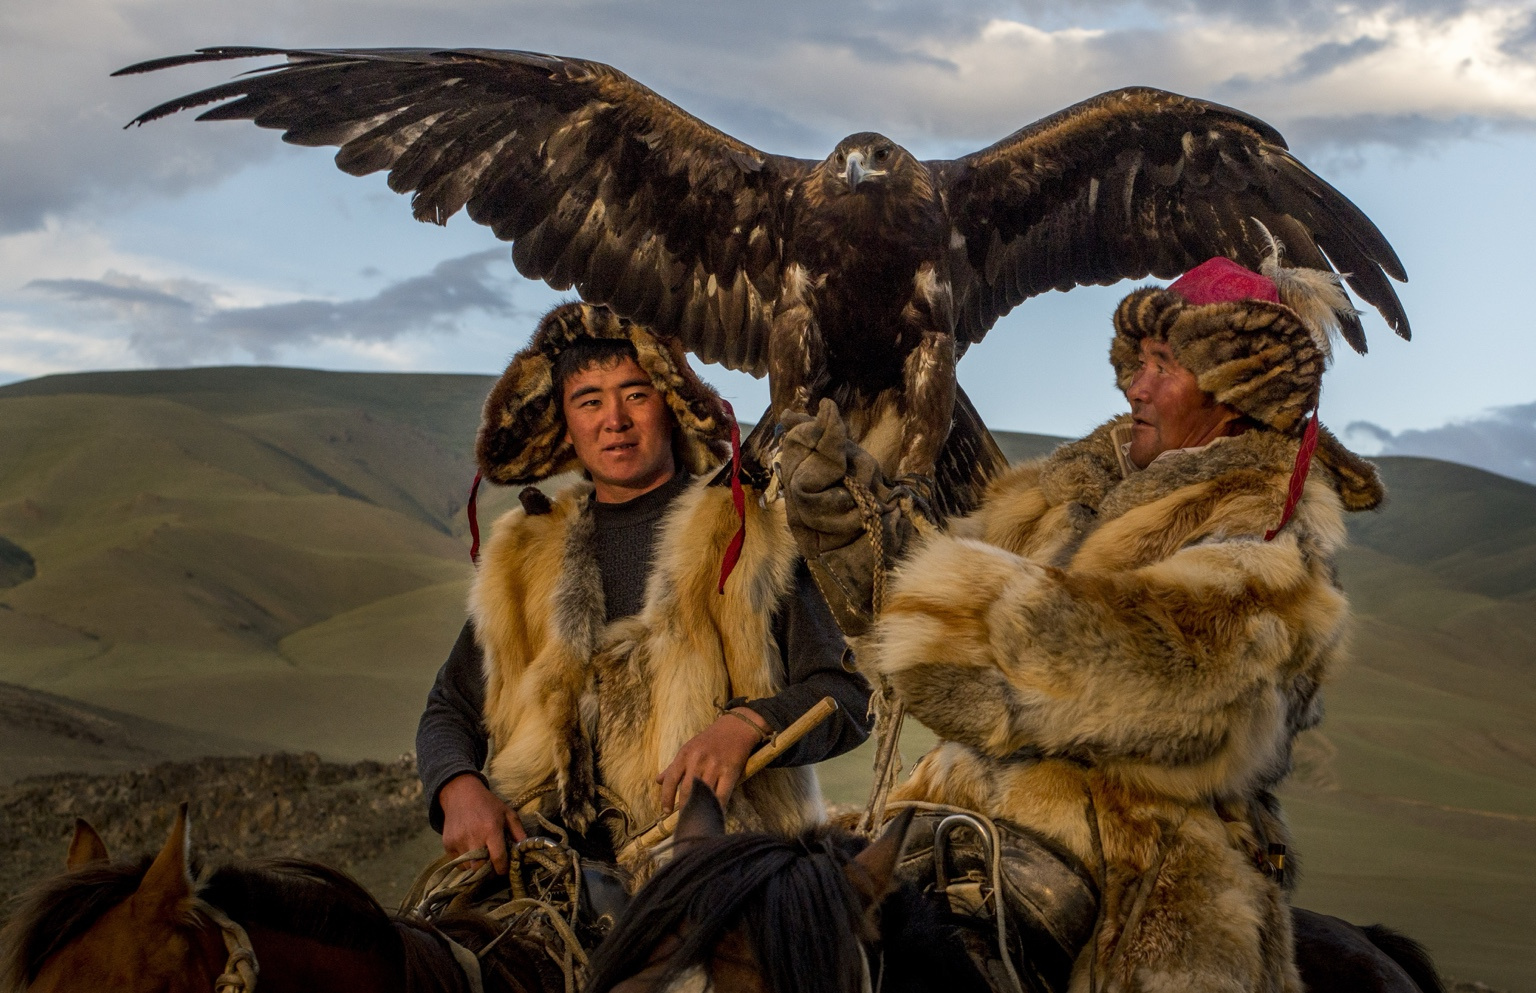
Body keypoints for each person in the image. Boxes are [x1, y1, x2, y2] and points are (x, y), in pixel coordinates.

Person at [780, 255, 1387, 993]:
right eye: (1138, 362)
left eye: (1164, 365)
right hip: (955, 811)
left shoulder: (1269, 542)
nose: (1135, 385)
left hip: (1147, 859)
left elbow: (1152, 674)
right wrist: (849, 524)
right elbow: (915, 594)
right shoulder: (1077, 485)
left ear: (1233, 390)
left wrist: (947, 609)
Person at [417, 302, 871, 874]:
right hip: (543, 864)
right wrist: (457, 788)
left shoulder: (749, 528)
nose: (615, 420)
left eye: (636, 394)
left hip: (722, 861)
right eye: (589, 401)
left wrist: (748, 724)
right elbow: (448, 708)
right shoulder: (523, 558)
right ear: (566, 423)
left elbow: (849, 694)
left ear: (672, 405)